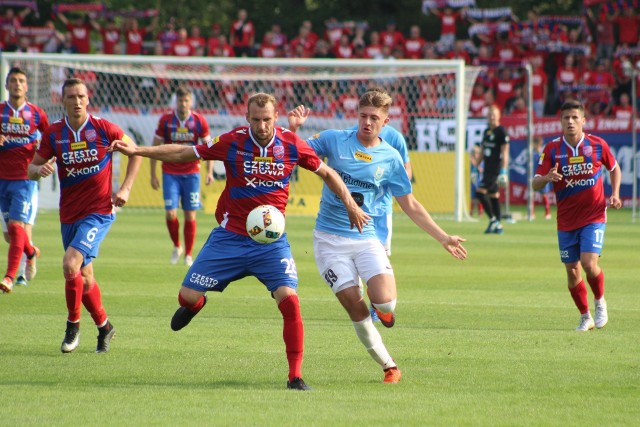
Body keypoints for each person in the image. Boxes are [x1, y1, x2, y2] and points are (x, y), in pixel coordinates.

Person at [110, 92, 368, 391]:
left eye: (267, 120)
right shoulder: (232, 141)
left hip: (271, 244)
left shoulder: (291, 144)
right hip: (230, 237)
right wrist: (139, 150)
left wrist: (350, 203)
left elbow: (327, 173)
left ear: (275, 117)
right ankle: (197, 304)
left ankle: (295, 376)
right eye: (256, 120)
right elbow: (185, 153)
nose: (261, 126)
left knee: (290, 301)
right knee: (186, 297)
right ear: (247, 118)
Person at [287, 89, 467, 383]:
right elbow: (293, 153)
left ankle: (382, 309)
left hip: (367, 237)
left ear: (386, 121)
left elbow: (409, 203)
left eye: (374, 118)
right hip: (328, 240)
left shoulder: (391, 157)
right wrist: (293, 129)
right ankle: (389, 365)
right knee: (354, 305)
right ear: (356, 115)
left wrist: (443, 237)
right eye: (363, 116)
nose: (367, 122)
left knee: (385, 303)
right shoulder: (334, 139)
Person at [27, 78, 142, 352]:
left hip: (99, 211)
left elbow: (135, 151)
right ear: (63, 101)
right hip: (69, 214)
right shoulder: (55, 134)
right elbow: (32, 168)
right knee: (84, 276)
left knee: (70, 264)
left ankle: (72, 325)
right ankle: (104, 326)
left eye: (81, 96)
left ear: (88, 99)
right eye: (71, 97)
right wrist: (39, 171)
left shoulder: (103, 128)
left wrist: (125, 188)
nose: (76, 101)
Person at [533, 99, 621, 332]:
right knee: (572, 271)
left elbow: (614, 168)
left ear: (583, 120)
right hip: (566, 220)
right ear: (560, 121)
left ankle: (600, 301)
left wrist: (616, 193)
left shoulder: (597, 144)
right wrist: (545, 178)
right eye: (566, 118)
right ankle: (585, 316)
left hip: (593, 215)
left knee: (588, 263)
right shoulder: (552, 149)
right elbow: (534, 183)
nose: (570, 122)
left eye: (574, 117)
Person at [150, 86, 213, 266]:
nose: (183, 104)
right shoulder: (166, 120)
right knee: (170, 213)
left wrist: (209, 172)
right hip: (170, 172)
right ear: (175, 102)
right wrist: (153, 175)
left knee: (190, 215)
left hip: (192, 173)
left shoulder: (199, 121)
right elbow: (155, 147)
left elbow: (209, 148)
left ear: (191, 102)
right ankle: (177, 245)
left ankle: (188, 254)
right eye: (180, 101)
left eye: (186, 101)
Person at [0, 67, 49, 294]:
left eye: (21, 81)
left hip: (25, 178)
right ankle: (30, 253)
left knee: (16, 226)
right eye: (13, 80)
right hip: (2, 179)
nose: (17, 84)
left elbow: (51, 140)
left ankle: (10, 276)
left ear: (27, 86)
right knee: (10, 235)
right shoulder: (0, 111)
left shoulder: (37, 113)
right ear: (7, 85)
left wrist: (45, 161)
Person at [475, 105, 509, 234]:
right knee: (494, 196)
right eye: (490, 114)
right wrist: (475, 168)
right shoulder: (486, 131)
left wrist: (504, 171)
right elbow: (482, 151)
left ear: (499, 116)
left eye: (494, 114)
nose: (492, 117)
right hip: (487, 169)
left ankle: (493, 220)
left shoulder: (501, 132)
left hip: (496, 170)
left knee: (480, 192)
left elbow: (505, 152)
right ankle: (498, 225)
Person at [531, 136, 551, 220]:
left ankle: (547, 213)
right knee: (532, 195)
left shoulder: (542, 153)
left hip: (542, 176)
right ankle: (531, 213)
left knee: (544, 195)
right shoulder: (532, 153)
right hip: (535, 177)